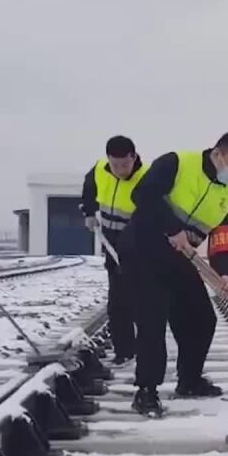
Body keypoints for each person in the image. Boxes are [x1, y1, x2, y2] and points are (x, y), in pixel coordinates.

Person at [120, 132, 228, 417]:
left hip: (180, 256)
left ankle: (189, 380)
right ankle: (146, 391)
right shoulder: (177, 163)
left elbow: (224, 236)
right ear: (218, 154)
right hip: (142, 249)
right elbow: (142, 194)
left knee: (202, 317)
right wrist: (172, 228)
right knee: (153, 318)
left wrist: (225, 272)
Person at [81, 135, 147, 365]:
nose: (119, 170)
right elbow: (89, 187)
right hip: (111, 242)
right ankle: (124, 351)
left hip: (138, 244)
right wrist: (89, 212)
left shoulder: (145, 177)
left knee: (141, 301)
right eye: (115, 164)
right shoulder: (100, 169)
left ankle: (146, 349)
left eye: (124, 164)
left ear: (134, 157)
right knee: (117, 302)